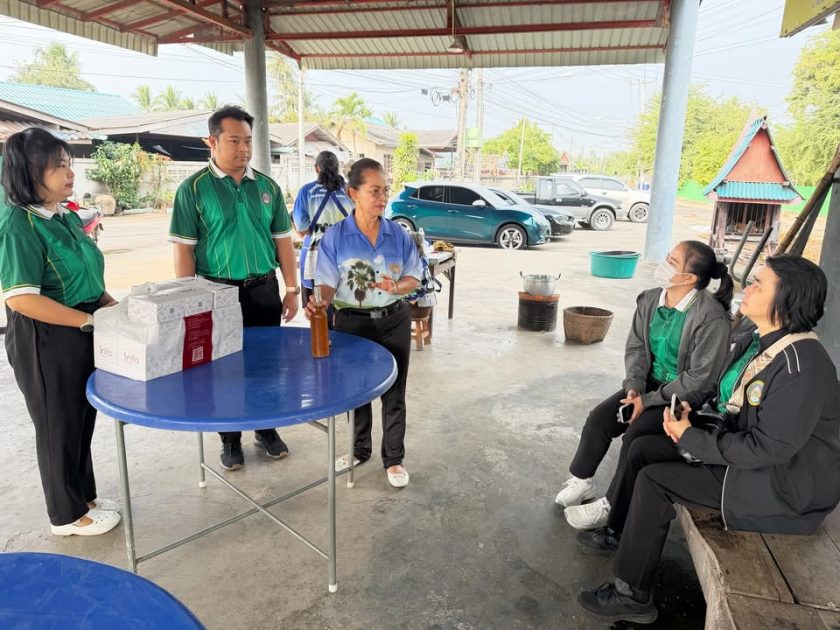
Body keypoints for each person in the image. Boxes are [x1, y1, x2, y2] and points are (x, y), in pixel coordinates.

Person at [576, 255, 840, 625]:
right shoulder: (758, 339)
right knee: (642, 448)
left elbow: (768, 450)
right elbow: (732, 401)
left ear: (786, 300)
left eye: (759, 284)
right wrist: (690, 418)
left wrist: (692, 438)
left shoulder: (802, 367)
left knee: (655, 481)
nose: (749, 288)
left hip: (784, 486)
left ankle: (632, 595)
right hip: (750, 458)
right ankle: (618, 531)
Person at [557, 241, 733, 530]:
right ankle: (582, 481)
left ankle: (612, 505)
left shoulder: (711, 318)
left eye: (672, 262)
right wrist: (634, 388)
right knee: (600, 419)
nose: (664, 264)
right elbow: (637, 347)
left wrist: (648, 401)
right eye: (668, 256)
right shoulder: (650, 300)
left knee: (635, 435)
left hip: (685, 397)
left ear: (689, 278)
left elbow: (699, 378)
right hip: (648, 385)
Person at [0, 127, 121, 536]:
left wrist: (107, 304)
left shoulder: (64, 216)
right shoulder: (19, 225)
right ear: (29, 172)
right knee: (57, 424)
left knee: (81, 417)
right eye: (57, 166)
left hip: (82, 325)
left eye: (68, 164)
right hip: (46, 336)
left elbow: (85, 271)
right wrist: (86, 320)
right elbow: (21, 298)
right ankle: (66, 515)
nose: (70, 173)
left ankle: (84, 497)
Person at [168, 105, 299, 471]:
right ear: (211, 141)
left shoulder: (268, 188)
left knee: (266, 365)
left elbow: (283, 242)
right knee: (224, 369)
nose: (243, 149)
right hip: (218, 294)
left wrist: (291, 288)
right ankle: (229, 438)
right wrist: (190, 301)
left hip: (264, 289)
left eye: (248, 141)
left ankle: (266, 428)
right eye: (234, 141)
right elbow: (184, 250)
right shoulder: (194, 189)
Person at [306, 158, 422, 488]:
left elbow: (414, 275)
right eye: (374, 191)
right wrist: (321, 301)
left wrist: (397, 287)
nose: (382, 198)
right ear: (353, 193)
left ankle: (394, 459)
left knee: (395, 392)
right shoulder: (335, 237)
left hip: (393, 320)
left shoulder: (398, 234)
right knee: (356, 391)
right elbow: (326, 282)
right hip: (352, 325)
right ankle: (360, 449)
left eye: (385, 191)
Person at [292, 150, 354, 314]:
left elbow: (301, 226)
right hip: (348, 253)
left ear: (317, 168)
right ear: (337, 168)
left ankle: (323, 330)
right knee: (347, 304)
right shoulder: (350, 191)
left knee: (318, 306)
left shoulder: (307, 191)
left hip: (315, 256)